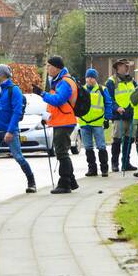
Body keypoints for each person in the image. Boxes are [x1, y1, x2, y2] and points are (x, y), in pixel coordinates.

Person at [0, 64, 37, 194]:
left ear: (2, 75)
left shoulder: (14, 90)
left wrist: (10, 130)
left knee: (18, 157)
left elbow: (17, 112)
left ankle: (31, 182)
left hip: (10, 131)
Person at [32, 55, 80, 194]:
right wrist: (47, 117)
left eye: (49, 66)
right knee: (62, 152)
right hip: (61, 120)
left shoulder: (64, 82)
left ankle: (64, 183)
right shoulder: (59, 81)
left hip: (65, 121)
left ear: (56, 67)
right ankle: (71, 181)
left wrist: (42, 93)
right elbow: (55, 105)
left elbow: (58, 100)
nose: (47, 68)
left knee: (61, 153)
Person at [77, 67, 113, 177]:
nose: (89, 79)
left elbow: (108, 104)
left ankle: (104, 169)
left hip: (97, 123)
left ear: (95, 78)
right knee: (88, 147)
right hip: (84, 123)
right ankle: (92, 169)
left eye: (92, 77)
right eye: (88, 77)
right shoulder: (81, 89)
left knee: (101, 146)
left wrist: (107, 118)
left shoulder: (102, 89)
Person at [106, 59, 137, 172]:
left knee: (129, 140)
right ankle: (115, 164)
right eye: (125, 66)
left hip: (130, 114)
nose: (127, 68)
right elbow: (109, 99)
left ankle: (126, 163)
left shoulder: (132, 81)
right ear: (118, 67)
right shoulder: (111, 81)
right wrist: (116, 108)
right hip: (119, 115)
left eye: (128, 66)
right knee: (117, 140)